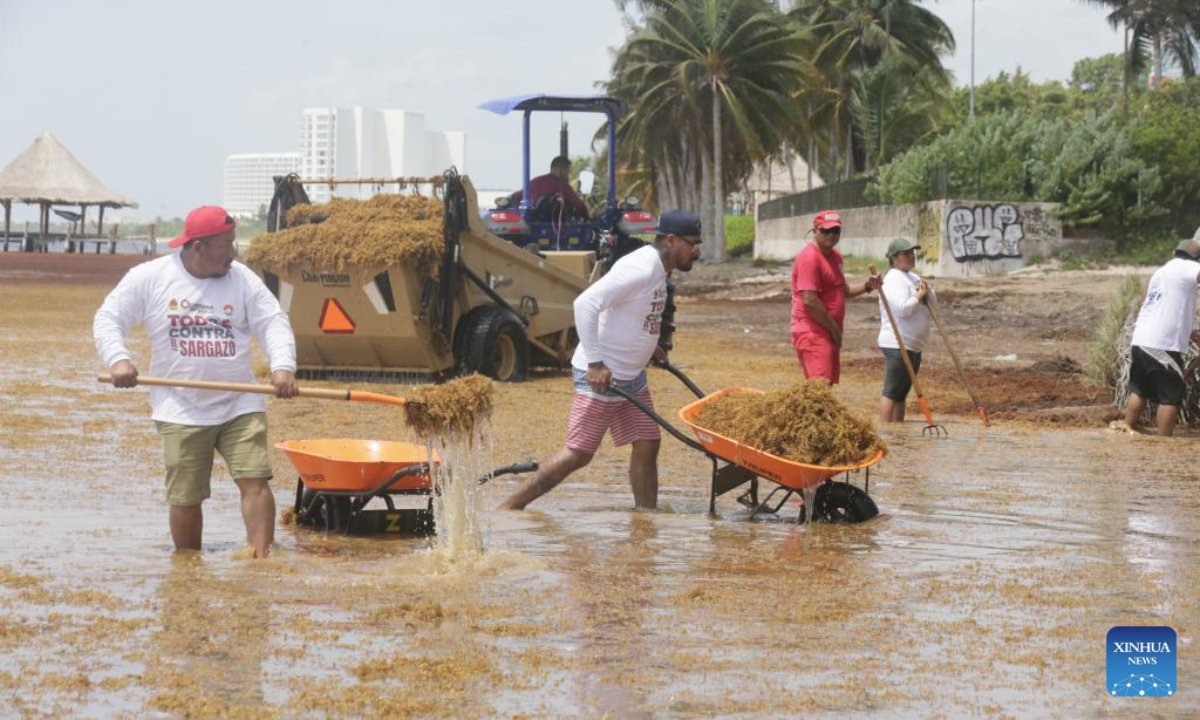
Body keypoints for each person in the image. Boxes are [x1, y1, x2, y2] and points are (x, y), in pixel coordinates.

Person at [94, 205, 298, 557]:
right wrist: (119, 360)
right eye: (226, 246)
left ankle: (261, 559)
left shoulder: (243, 279)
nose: (234, 254)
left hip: (240, 402)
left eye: (234, 244)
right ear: (197, 247)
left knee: (256, 481)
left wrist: (282, 368)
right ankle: (188, 566)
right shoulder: (150, 277)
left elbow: (272, 322)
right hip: (180, 406)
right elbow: (109, 318)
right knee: (186, 496)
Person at [498, 209, 703, 511]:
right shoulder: (641, 268)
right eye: (692, 243)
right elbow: (586, 303)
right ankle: (509, 507)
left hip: (630, 376)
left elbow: (637, 312)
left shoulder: (658, 269)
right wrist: (595, 364)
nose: (696, 252)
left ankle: (645, 517)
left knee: (648, 441)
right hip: (603, 376)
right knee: (578, 454)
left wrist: (651, 346)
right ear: (671, 240)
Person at [790, 209, 882, 384]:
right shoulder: (809, 258)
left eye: (836, 230)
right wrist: (834, 330)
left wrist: (868, 285)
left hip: (828, 332)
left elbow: (843, 290)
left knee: (827, 386)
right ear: (815, 231)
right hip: (813, 332)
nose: (831, 235)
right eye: (826, 230)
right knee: (820, 388)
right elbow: (810, 301)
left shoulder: (835, 257)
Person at [1123, 235, 1200, 437]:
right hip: (1161, 344)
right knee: (1172, 394)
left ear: (1175, 253)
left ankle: (1126, 427)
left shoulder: (1161, 272)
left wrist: (1189, 332)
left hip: (1140, 340)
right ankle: (1164, 442)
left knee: (1140, 389)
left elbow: (1171, 305)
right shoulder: (1187, 267)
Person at [877, 238, 935, 422]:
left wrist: (927, 291)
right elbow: (903, 310)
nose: (911, 256)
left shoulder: (914, 277)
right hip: (897, 342)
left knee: (901, 393)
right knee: (892, 391)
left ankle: (898, 432)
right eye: (906, 253)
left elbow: (934, 304)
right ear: (894, 258)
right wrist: (919, 295)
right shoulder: (893, 278)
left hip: (914, 345)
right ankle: (886, 431)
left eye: (912, 253)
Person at [510, 155, 591, 220]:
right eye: (568, 171)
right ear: (561, 170)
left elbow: (515, 197)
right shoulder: (562, 185)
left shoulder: (536, 181)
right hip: (556, 227)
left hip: (532, 224)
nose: (568, 174)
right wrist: (587, 218)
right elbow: (580, 205)